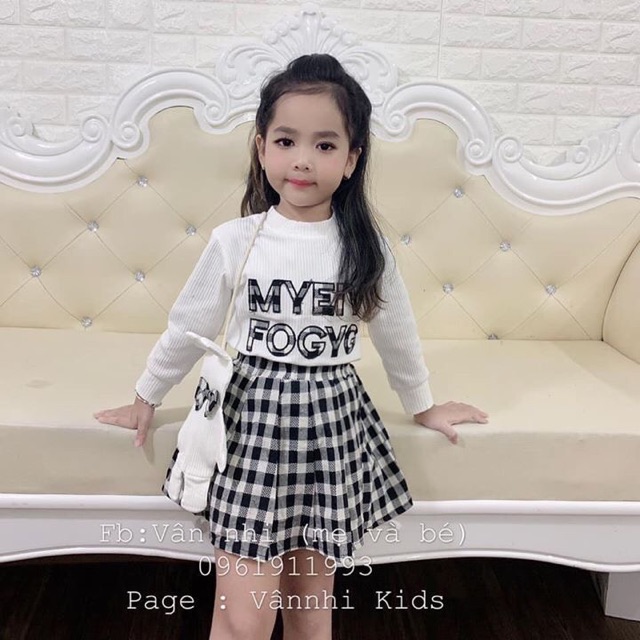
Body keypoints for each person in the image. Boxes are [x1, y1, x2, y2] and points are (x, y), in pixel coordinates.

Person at [94, 53, 488, 640]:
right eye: (286, 141)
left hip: (330, 432)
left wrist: (423, 404)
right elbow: (189, 325)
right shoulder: (236, 240)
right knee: (244, 614)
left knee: (310, 605)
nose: (303, 159)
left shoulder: (364, 248)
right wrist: (146, 395)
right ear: (261, 148)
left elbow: (397, 333)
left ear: (352, 159)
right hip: (250, 425)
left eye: (325, 145)